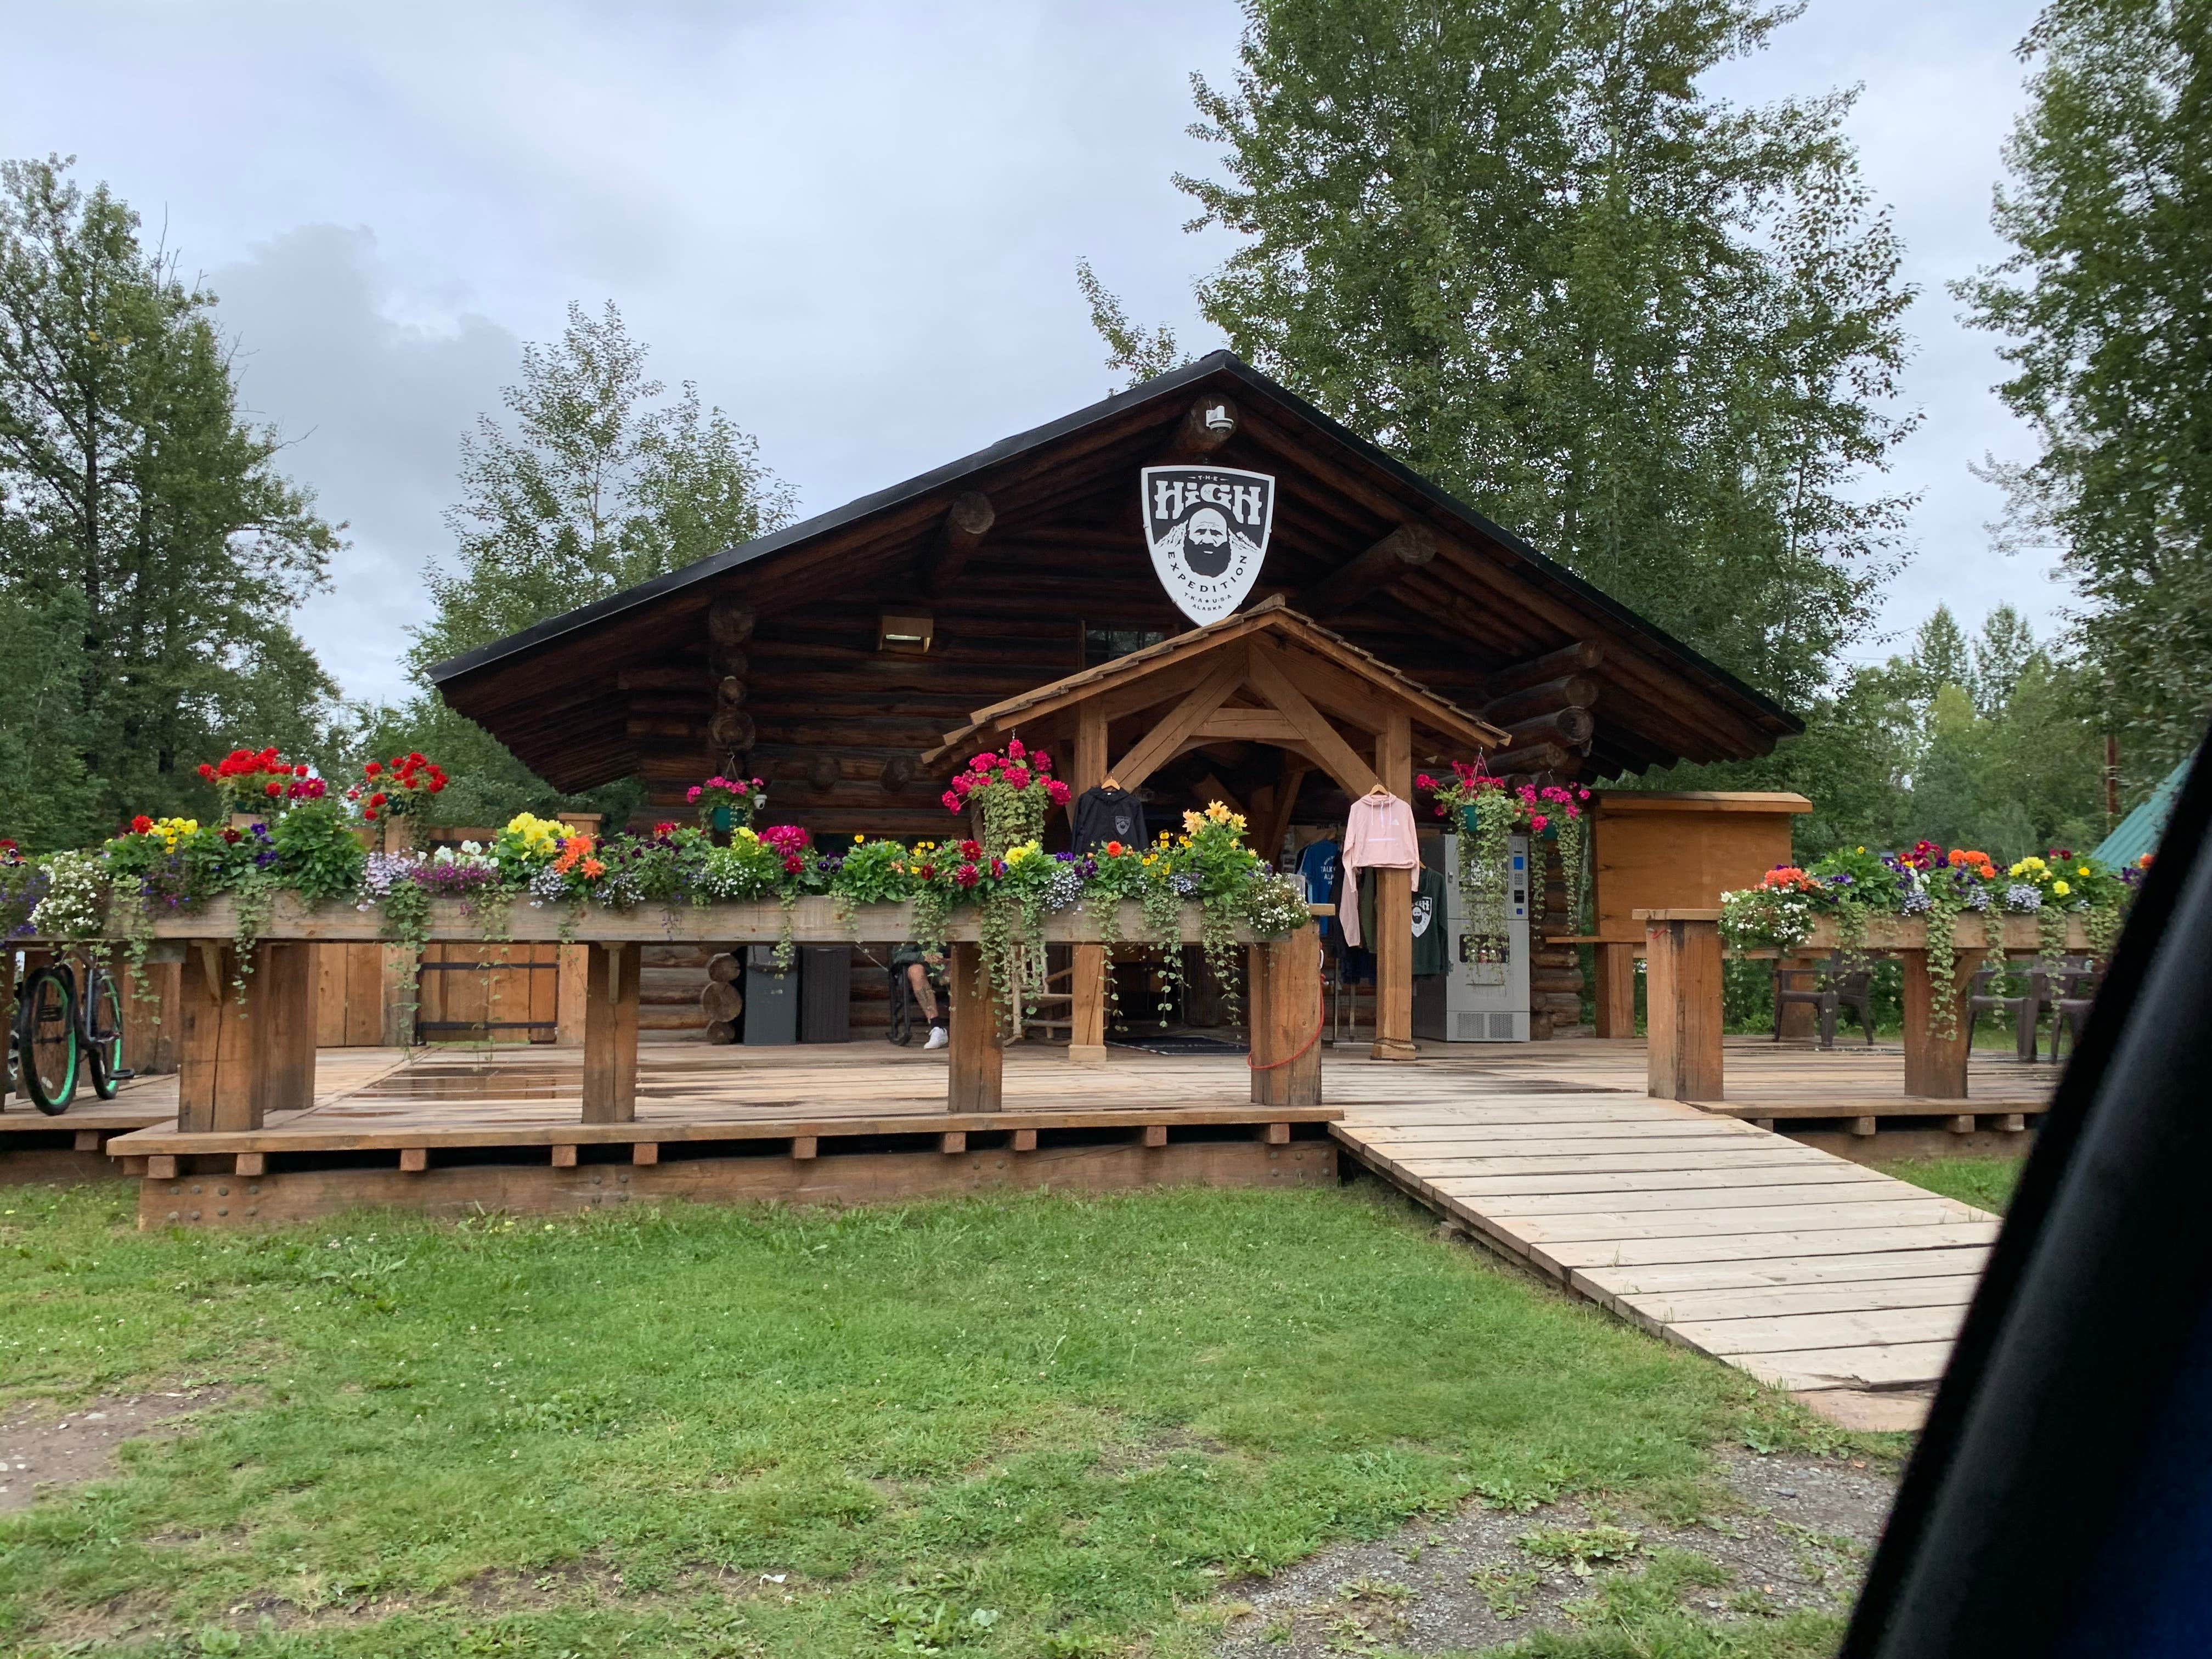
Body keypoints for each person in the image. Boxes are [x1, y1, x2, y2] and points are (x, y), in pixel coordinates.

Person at [890, 942, 949, 1048]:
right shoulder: (908, 933)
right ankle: (937, 1028)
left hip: (943, 969)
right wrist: (924, 957)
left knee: (960, 965)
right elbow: (899, 956)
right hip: (915, 971)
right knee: (916, 971)